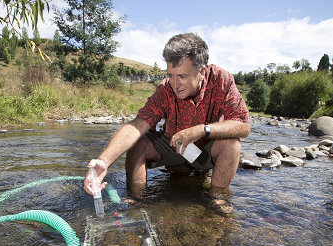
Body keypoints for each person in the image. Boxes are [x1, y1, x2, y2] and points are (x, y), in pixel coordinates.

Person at [84, 33, 250, 196]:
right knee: (138, 143)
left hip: (206, 147)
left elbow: (243, 126)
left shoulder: (222, 80)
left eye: (182, 76)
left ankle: (217, 199)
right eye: (171, 75)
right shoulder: (165, 89)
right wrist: (104, 161)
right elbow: (138, 124)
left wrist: (202, 130)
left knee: (232, 144)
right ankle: (136, 199)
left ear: (202, 71)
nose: (175, 84)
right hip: (173, 145)